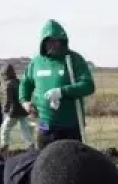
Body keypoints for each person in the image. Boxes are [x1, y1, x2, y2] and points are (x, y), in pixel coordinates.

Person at [20, 20, 94, 148]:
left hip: (70, 125)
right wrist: (25, 101)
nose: (52, 45)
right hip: (45, 124)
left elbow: (88, 85)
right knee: (44, 160)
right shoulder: (36, 63)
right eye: (48, 42)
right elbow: (25, 83)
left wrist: (62, 91)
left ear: (63, 41)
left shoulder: (74, 59)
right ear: (43, 43)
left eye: (56, 41)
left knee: (72, 161)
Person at [0, 65, 33, 152]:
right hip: (23, 109)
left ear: (5, 75)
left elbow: (8, 100)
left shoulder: (8, 85)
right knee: (25, 129)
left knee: (5, 128)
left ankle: (5, 146)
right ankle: (30, 146)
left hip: (14, 111)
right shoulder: (19, 82)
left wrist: (5, 110)